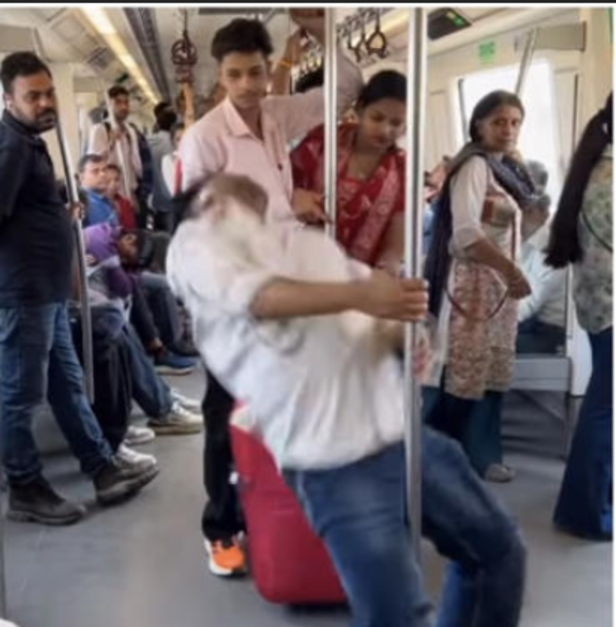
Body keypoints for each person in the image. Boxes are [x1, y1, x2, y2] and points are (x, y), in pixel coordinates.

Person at [168, 173, 526, 627]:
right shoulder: (195, 245)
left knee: (498, 551)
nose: (240, 185)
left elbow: (380, 316)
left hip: (398, 431)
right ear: (206, 202)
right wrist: (365, 296)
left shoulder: (306, 246)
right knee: (396, 615)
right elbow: (261, 299)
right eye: (224, 187)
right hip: (331, 460)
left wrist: (401, 333)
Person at [177, 10, 363, 576]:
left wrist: (321, 28)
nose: (248, 86)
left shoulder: (279, 114)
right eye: (235, 75)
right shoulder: (204, 138)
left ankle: (268, 510)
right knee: (224, 414)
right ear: (220, 76)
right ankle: (220, 529)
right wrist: (288, 205)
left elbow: (347, 87)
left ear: (268, 68)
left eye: (256, 72)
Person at [0, 52, 157, 525]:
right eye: (33, 96)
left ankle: (102, 468)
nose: (45, 102)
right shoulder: (11, 147)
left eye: (49, 93)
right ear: (8, 100)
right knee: (20, 395)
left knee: (68, 385)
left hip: (47, 291)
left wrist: (56, 211)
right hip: (24, 293)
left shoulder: (31, 142)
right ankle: (25, 486)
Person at [423, 90, 537, 483]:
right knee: (460, 374)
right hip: (469, 286)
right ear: (478, 126)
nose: (508, 129)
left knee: (489, 374)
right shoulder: (474, 167)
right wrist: (511, 271)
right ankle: (443, 459)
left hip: (495, 288)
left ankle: (482, 457)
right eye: (499, 122)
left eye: (515, 122)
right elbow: (466, 235)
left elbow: (524, 221)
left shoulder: (505, 170)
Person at [546, 93, 613, 541]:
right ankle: (585, 512)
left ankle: (595, 497)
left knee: (603, 404)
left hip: (597, 304)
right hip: (611, 306)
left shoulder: (594, 169)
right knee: (604, 410)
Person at [292, 70, 407, 274]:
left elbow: (394, 243)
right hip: (302, 267)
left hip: (359, 279)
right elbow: (278, 185)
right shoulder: (323, 142)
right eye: (377, 118)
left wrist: (388, 267)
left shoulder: (402, 169)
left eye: (396, 123)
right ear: (360, 109)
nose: (385, 130)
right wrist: (295, 196)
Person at [516, 194, 567, 354]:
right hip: (534, 322)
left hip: (551, 332)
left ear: (532, 212)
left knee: (493, 348)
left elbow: (528, 304)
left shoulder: (548, 247)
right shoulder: (528, 242)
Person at [87, 86, 142, 205]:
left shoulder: (130, 132)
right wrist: (111, 143)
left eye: (126, 102)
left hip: (128, 196)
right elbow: (93, 164)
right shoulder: (99, 130)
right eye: (118, 102)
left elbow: (132, 166)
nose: (123, 107)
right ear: (109, 105)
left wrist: (133, 194)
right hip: (109, 197)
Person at [79, 154, 119, 227]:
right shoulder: (82, 203)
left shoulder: (105, 199)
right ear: (81, 177)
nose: (102, 174)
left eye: (104, 170)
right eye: (95, 171)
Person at [106, 163, 137, 229]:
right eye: (108, 181)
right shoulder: (98, 204)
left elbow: (131, 226)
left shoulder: (125, 203)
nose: (113, 184)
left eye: (116, 179)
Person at [161, 122, 185, 198]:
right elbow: (173, 191)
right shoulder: (168, 160)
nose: (183, 142)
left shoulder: (198, 155)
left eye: (186, 137)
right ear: (173, 142)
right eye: (178, 139)